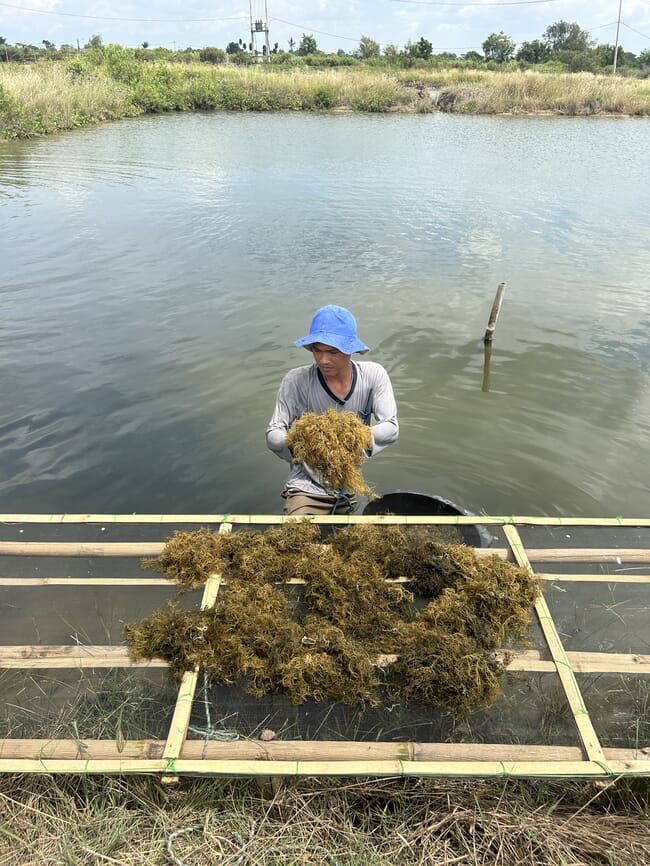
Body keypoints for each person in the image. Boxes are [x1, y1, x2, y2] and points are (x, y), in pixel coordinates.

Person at [266, 305, 399, 515]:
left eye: (332, 352)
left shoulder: (374, 376)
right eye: (317, 350)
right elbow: (274, 434)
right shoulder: (296, 381)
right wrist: (301, 443)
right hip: (305, 487)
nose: (323, 360)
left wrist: (354, 436)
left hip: (346, 482)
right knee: (297, 538)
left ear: (350, 350)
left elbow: (391, 428)